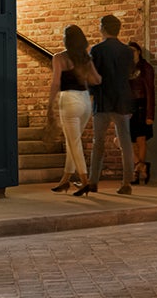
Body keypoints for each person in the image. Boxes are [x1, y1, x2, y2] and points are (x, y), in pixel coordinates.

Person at [46, 25, 102, 195]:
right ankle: (65, 180)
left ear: (66, 39)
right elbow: (97, 80)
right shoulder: (86, 59)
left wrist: (49, 105)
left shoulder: (59, 58)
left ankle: (85, 181)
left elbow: (56, 82)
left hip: (69, 100)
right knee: (73, 141)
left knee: (74, 142)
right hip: (85, 100)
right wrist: (83, 75)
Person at [85, 14, 136, 195]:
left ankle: (93, 181)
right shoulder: (127, 51)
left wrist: (91, 95)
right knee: (126, 144)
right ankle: (127, 183)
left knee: (98, 143)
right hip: (122, 101)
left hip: (103, 101)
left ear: (104, 28)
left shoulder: (97, 50)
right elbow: (129, 75)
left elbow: (92, 76)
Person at [128, 41, 155, 184]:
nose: (131, 53)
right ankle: (141, 166)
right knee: (124, 140)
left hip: (142, 106)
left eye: (133, 50)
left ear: (138, 51)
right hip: (128, 106)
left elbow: (150, 91)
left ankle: (136, 171)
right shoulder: (125, 68)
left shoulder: (146, 68)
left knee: (141, 140)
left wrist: (150, 115)